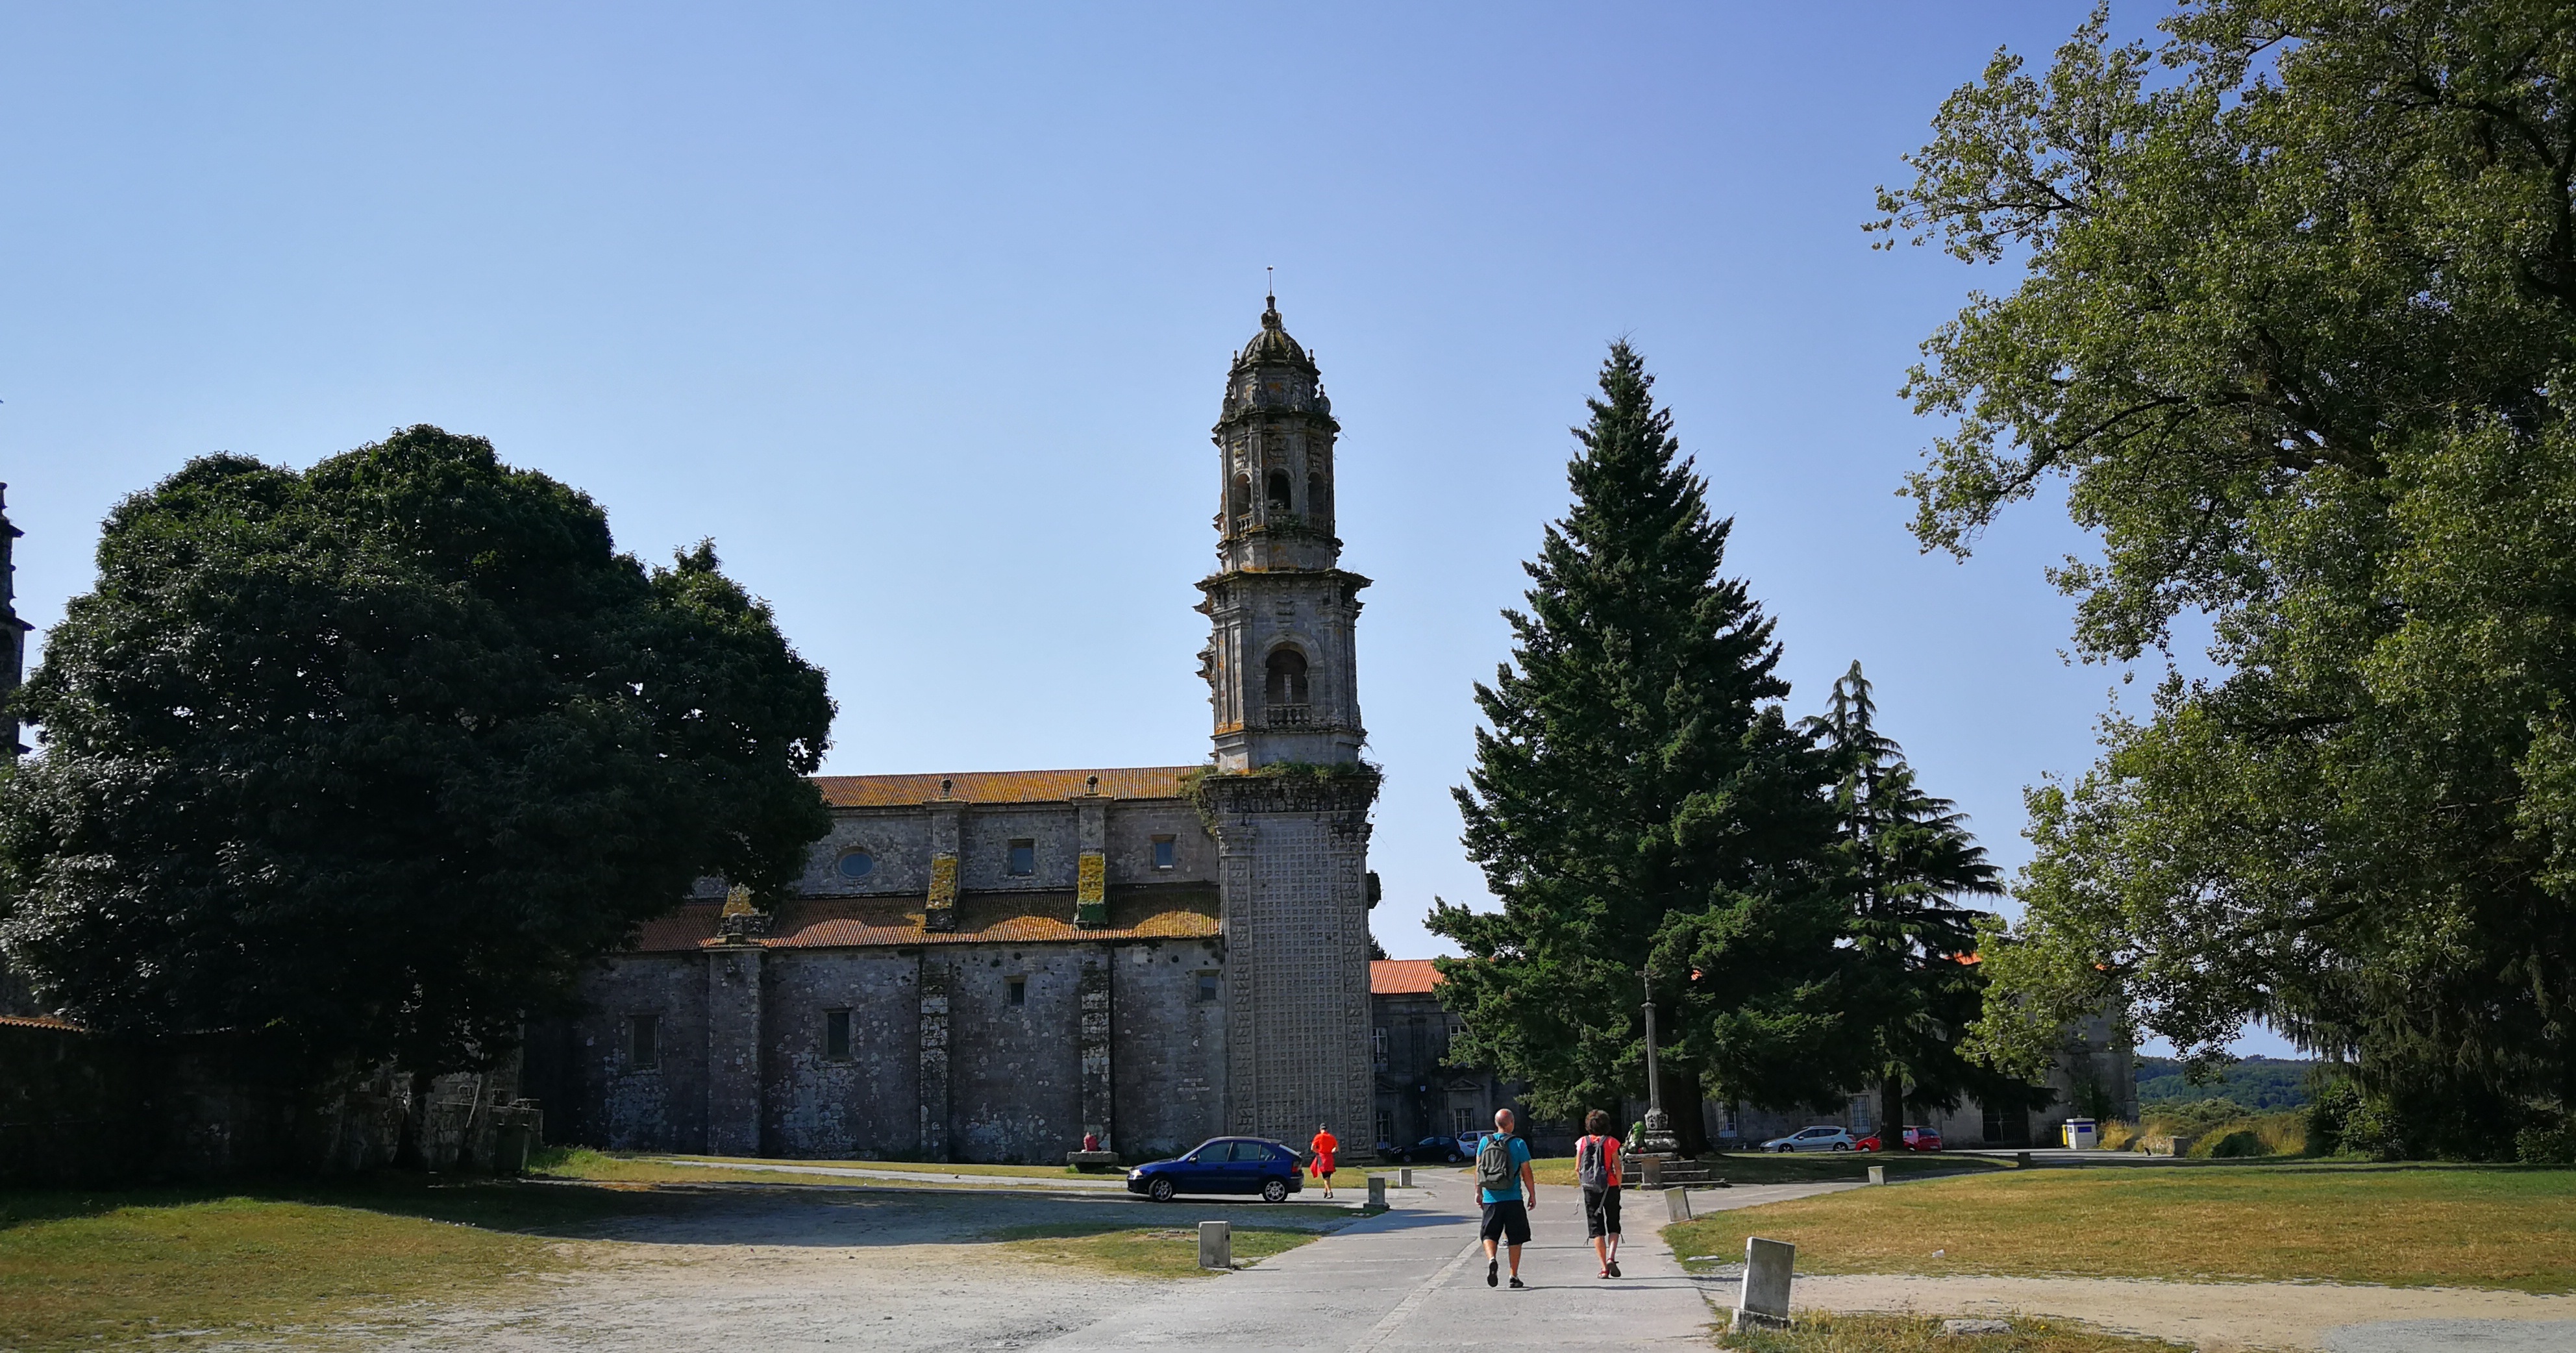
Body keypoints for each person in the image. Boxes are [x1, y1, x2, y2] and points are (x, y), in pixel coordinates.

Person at [1476, 1108, 1537, 1289]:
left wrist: (1478, 1192)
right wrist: (1532, 1194)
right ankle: (1513, 1276)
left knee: (1489, 1234)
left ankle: (1492, 1259)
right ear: (1511, 1123)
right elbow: (1526, 1172)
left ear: (1496, 1124)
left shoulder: (1484, 1142)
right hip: (1513, 1199)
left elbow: (1478, 1169)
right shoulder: (1518, 1143)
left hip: (1491, 1198)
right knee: (1515, 1238)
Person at [1576, 1109, 1624, 1278]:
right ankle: (1611, 1257)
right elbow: (1617, 1168)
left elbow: (1577, 1168)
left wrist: (1585, 1183)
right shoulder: (1612, 1142)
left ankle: (1604, 1268)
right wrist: (1618, 1185)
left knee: (1596, 1228)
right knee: (1613, 1224)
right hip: (1610, 1186)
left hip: (1590, 1188)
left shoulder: (1582, 1142)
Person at [1309, 1124, 1339, 1199]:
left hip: (1322, 1158)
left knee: (1325, 1177)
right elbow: (1336, 1148)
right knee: (1328, 1176)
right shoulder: (1331, 1137)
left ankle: (1329, 1192)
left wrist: (1319, 1151)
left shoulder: (1318, 1137)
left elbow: (1312, 1148)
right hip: (1330, 1158)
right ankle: (1325, 1192)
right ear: (1326, 1129)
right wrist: (1331, 1151)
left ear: (1320, 1129)